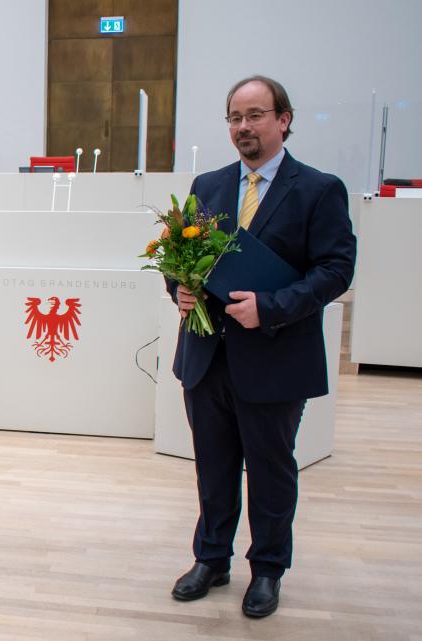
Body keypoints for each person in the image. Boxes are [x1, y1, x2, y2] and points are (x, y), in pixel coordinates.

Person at [167, 76, 356, 618]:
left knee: (272, 470)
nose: (242, 127)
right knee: (214, 465)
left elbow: (336, 269)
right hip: (207, 356)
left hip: (274, 358)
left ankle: (268, 568)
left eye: (254, 116)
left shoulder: (319, 189)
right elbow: (183, 259)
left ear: (283, 119)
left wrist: (269, 307)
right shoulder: (208, 185)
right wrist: (178, 288)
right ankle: (212, 558)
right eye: (234, 117)